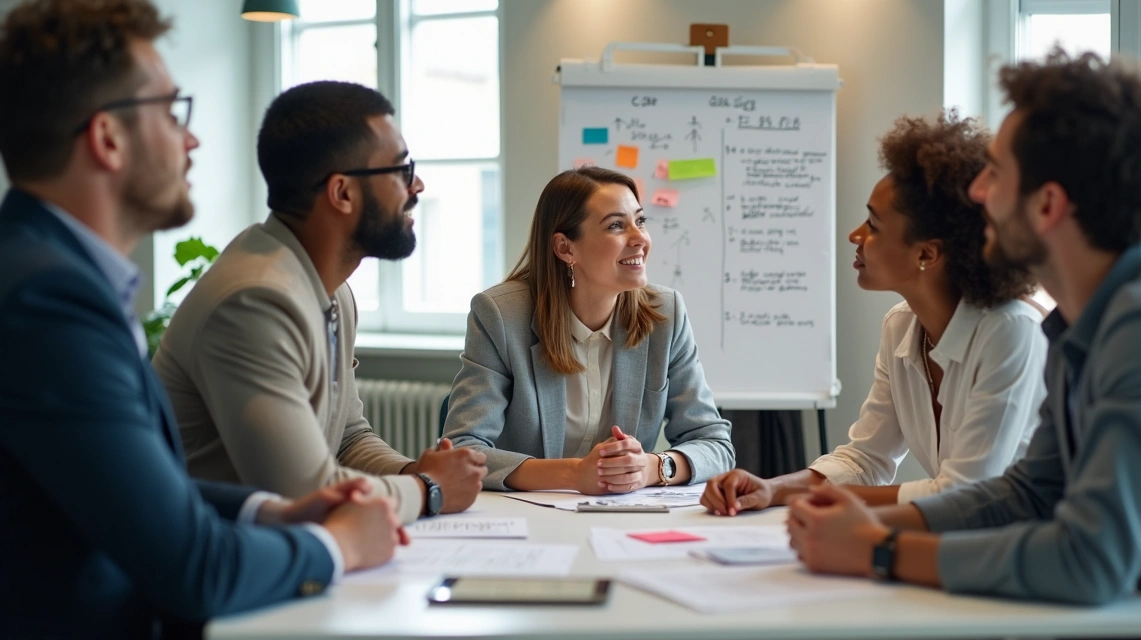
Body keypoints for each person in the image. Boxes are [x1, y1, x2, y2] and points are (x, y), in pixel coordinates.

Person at [0, 1, 403, 637]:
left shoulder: (56, 277)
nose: (191, 138)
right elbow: (195, 569)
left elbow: (144, 493)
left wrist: (273, 512)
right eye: (170, 111)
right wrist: (339, 546)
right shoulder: (47, 302)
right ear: (108, 138)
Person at [787, 50, 1141, 635]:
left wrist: (876, 550)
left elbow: (1088, 559)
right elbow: (1029, 494)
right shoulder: (1083, 322)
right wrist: (870, 523)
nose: (979, 191)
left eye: (996, 173)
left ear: (1047, 205)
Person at [153, 80, 487, 524]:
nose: (417, 185)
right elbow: (303, 492)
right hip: (221, 560)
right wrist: (427, 490)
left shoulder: (331, 290)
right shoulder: (255, 301)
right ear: (342, 193)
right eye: (401, 170)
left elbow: (347, 438)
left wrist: (413, 471)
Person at [703, 112, 1046, 515]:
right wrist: (772, 487)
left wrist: (822, 499)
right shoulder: (901, 326)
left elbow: (966, 491)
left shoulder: (1012, 331)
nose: (855, 236)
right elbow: (866, 460)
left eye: (873, 224)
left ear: (926, 254)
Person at [442, 166, 734, 493]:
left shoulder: (665, 314)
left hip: (624, 518)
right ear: (566, 249)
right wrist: (573, 474)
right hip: (531, 518)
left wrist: (652, 467)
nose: (640, 239)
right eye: (615, 226)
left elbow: (714, 443)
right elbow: (463, 450)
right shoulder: (501, 316)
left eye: (640, 221)